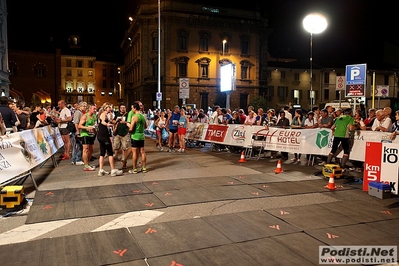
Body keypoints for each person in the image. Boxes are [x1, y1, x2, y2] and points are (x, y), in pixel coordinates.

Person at [97, 102, 123, 177]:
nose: (110, 108)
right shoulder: (103, 114)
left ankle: (101, 170)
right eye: (109, 107)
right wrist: (108, 124)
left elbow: (110, 121)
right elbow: (103, 122)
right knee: (110, 153)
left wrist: (112, 118)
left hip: (100, 135)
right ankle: (113, 170)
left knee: (102, 153)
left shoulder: (106, 114)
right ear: (105, 108)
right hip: (104, 135)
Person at [128, 102, 147, 174]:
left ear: (135, 108)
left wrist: (129, 128)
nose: (132, 109)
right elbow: (146, 126)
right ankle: (144, 167)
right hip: (142, 136)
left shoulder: (134, 117)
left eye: (132, 108)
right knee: (142, 152)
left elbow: (131, 128)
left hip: (135, 136)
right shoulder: (142, 116)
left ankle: (134, 168)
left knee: (134, 152)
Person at [78, 103, 97, 171]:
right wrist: (87, 127)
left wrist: (95, 130)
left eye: (95, 109)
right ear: (89, 109)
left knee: (91, 150)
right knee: (86, 149)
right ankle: (86, 166)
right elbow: (79, 126)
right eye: (93, 109)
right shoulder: (85, 116)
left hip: (91, 134)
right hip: (85, 134)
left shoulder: (94, 116)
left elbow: (95, 125)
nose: (95, 110)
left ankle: (88, 164)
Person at [71, 101, 86, 166]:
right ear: (80, 106)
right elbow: (76, 123)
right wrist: (78, 132)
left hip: (79, 131)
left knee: (76, 145)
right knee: (79, 145)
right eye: (83, 106)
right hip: (78, 131)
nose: (85, 107)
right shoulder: (78, 112)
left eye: (85, 106)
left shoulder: (80, 112)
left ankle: (74, 159)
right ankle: (78, 159)